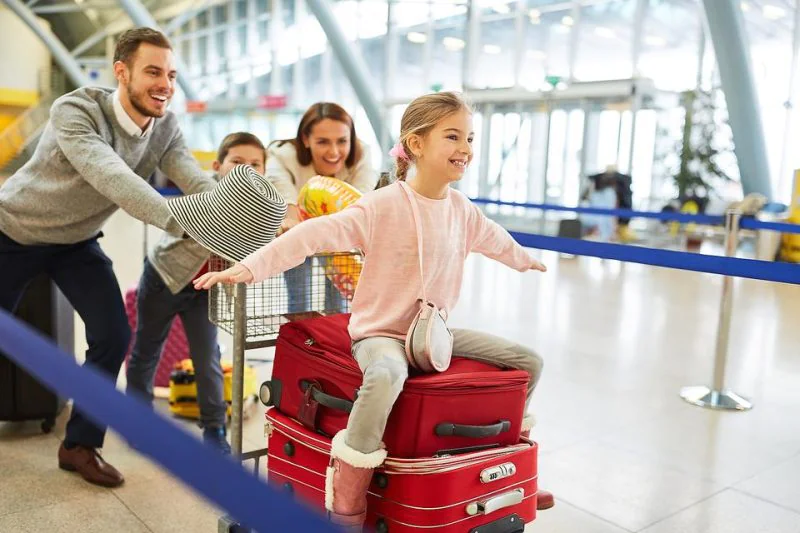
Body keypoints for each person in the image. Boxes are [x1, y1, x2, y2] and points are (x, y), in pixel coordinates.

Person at [195, 91, 554, 530]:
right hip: (380, 333)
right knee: (385, 375)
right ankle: (347, 502)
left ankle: (510, 464)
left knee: (527, 362)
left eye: (470, 138)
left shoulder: (462, 210)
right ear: (416, 144)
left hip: (432, 333)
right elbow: (310, 237)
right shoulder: (382, 206)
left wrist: (523, 259)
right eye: (453, 136)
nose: (466, 149)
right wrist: (247, 268)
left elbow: (496, 239)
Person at [0, 27, 217, 488]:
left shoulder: (167, 128)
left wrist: (250, 213)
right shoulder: (76, 111)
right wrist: (200, 223)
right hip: (13, 231)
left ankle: (79, 444)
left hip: (76, 242)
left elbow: (196, 182)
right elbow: (118, 182)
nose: (165, 84)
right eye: (153, 72)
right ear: (122, 72)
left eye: (172, 74)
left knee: (113, 335)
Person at [126, 132, 270, 455]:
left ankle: (215, 429)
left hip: (205, 290)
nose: (246, 170)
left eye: (254, 164)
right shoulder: (205, 191)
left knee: (208, 359)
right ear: (218, 166)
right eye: (237, 162)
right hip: (164, 277)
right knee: (147, 350)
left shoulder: (261, 208)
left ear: (264, 171)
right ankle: (137, 421)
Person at [265, 102, 378, 313]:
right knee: (299, 301)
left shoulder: (361, 155)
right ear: (306, 139)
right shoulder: (282, 155)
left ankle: (335, 342)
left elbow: (360, 200)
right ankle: (301, 343)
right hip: (298, 226)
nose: (334, 152)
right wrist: (291, 221)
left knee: (340, 303)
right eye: (323, 142)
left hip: (339, 231)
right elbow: (284, 195)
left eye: (342, 141)